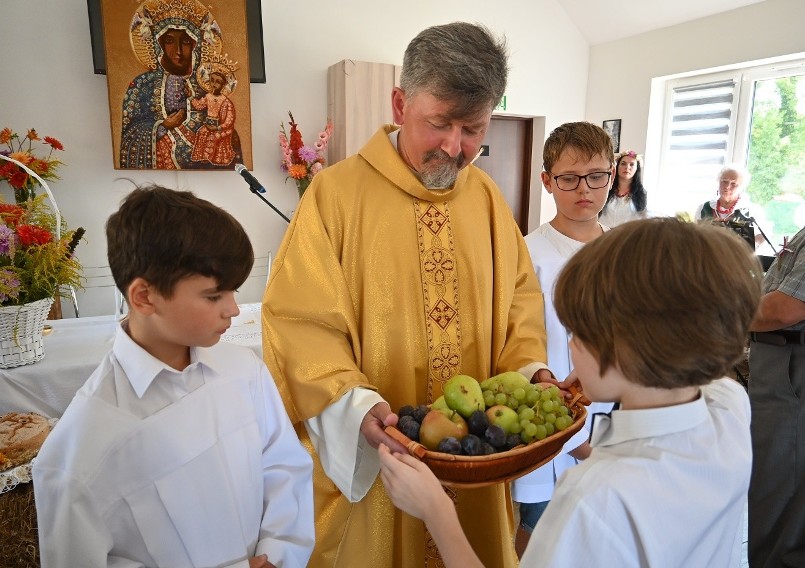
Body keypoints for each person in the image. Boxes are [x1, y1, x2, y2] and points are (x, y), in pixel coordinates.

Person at [262, 22, 551, 568]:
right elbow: (299, 320)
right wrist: (356, 405)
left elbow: (520, 301)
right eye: (439, 123)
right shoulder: (335, 196)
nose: (454, 146)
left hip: (476, 462)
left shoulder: (487, 200)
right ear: (399, 103)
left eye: (473, 129)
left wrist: (529, 370)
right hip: (383, 456)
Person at [380, 217, 762, 568]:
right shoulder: (728, 406)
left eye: (578, 334)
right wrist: (613, 374)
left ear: (622, 350)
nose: (572, 348)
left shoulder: (593, 500)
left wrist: (436, 512)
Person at [33, 186, 315, 567]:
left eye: (233, 292)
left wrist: (279, 553)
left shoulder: (243, 370)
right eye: (214, 296)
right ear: (145, 297)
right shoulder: (81, 449)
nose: (233, 309)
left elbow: (283, 466)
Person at [512, 121, 616, 557]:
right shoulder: (526, 253)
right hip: (549, 418)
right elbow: (516, 337)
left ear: (612, 174)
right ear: (547, 181)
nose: (584, 190)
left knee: (596, 531)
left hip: (613, 421)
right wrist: (570, 433)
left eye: (596, 176)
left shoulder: (623, 254)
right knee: (539, 530)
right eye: (569, 178)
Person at [747, 104, 805, 568]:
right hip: (783, 369)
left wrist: (697, 313)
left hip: (803, 373)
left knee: (782, 498)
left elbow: (783, 308)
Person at [120, 0, 241, 169]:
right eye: (169, 41)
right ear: (159, 44)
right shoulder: (142, 85)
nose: (177, 51)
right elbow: (128, 136)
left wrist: (217, 130)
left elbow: (226, 124)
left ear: (195, 46)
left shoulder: (204, 86)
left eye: (184, 42)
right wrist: (162, 127)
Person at [698, 163, 765, 250]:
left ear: (741, 187)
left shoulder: (752, 211)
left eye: (733, 183)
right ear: (719, 181)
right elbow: (697, 235)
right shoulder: (704, 208)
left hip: (737, 260)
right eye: (724, 181)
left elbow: (762, 237)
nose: (727, 187)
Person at [192, 64, 238, 166]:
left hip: (223, 128)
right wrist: (190, 97)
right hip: (209, 125)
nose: (214, 84)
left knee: (213, 137)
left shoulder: (226, 101)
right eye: (212, 80)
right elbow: (199, 105)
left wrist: (218, 127)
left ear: (223, 85)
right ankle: (202, 157)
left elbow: (229, 120)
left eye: (218, 82)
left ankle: (213, 159)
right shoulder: (208, 96)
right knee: (201, 132)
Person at [599, 150, 649, 228]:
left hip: (627, 236)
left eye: (631, 164)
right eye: (623, 164)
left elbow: (644, 220)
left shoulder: (641, 194)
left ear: (637, 169)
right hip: (604, 235)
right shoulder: (605, 189)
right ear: (617, 167)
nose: (627, 167)